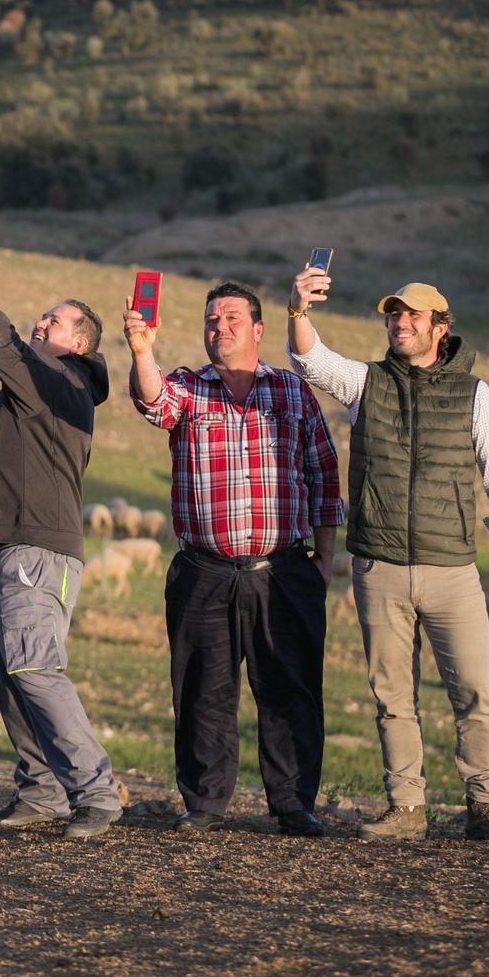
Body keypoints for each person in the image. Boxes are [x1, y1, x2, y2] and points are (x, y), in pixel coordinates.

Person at [287, 270, 489, 842]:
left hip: (452, 568)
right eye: (394, 314)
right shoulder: (367, 382)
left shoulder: (474, 393)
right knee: (393, 694)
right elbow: (312, 362)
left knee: (474, 689)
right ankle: (407, 809)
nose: (400, 322)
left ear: (441, 327)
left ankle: (486, 806)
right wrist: (297, 311)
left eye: (413, 315)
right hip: (379, 565)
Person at [124, 282, 342, 837]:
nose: (219, 327)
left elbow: (323, 472)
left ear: (259, 329)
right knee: (202, 690)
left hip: (284, 570)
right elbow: (152, 403)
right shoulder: (187, 388)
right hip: (205, 570)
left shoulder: (292, 393)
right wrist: (142, 350)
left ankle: (294, 804)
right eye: (211, 319)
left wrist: (324, 558)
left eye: (232, 318)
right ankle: (205, 803)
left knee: (290, 687)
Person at [0, 237, 123, 839]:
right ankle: (42, 790)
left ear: (78, 343)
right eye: (45, 314)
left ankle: (96, 793)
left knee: (36, 669)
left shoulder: (57, 380)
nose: (42, 321)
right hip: (17, 552)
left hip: (31, 554)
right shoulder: (50, 386)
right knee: (15, 677)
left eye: (57, 319)